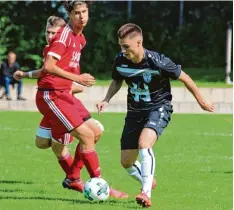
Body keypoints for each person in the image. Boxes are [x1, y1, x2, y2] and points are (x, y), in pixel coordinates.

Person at [96, 23, 214, 207]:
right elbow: (116, 81)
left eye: (126, 46)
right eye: (120, 46)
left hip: (159, 108)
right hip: (134, 112)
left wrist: (201, 100)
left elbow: (185, 77)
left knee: (144, 144)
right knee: (126, 162)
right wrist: (106, 99)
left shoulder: (157, 61)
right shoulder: (120, 60)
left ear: (139, 42)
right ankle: (148, 179)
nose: (123, 50)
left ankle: (146, 193)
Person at [25, 1, 127, 199]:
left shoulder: (80, 39)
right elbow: (49, 66)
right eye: (77, 13)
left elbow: (67, 68)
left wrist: (76, 81)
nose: (82, 16)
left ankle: (72, 177)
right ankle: (101, 185)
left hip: (64, 94)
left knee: (95, 132)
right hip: (51, 94)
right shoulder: (63, 36)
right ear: (69, 15)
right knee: (83, 138)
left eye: (84, 12)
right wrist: (78, 79)